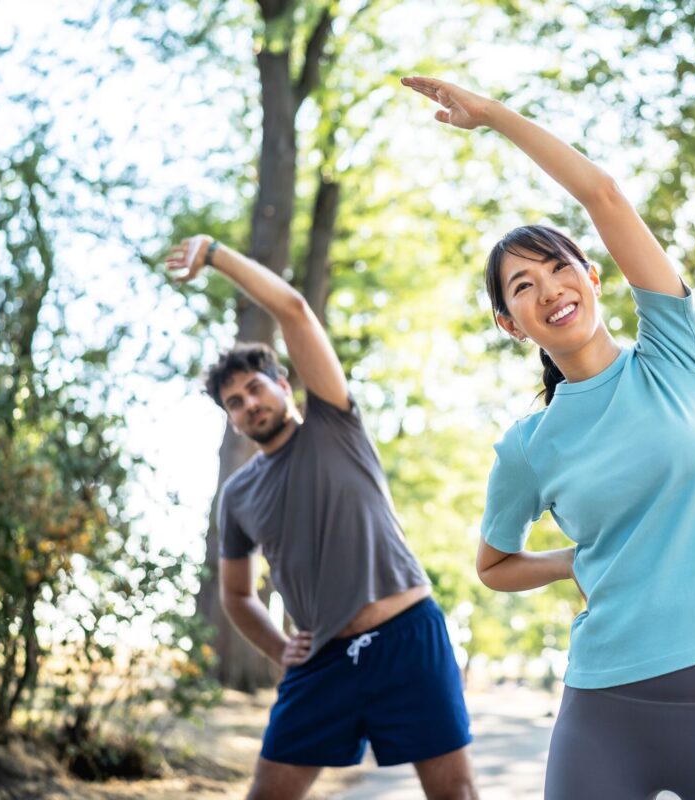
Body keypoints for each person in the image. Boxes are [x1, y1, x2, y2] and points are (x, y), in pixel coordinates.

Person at [403, 76, 695, 799]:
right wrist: (570, 564)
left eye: (558, 268)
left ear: (591, 277)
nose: (548, 288)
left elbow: (604, 196)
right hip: (606, 707)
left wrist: (492, 116)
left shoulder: (677, 353)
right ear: (508, 323)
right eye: (521, 286)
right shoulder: (529, 445)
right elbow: (494, 565)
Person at [164, 236, 477, 800]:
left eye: (255, 388)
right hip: (322, 660)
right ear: (231, 419)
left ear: (283, 386)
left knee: (454, 795)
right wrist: (279, 647)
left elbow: (293, 310)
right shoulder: (236, 496)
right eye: (233, 401)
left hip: (407, 637)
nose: (248, 403)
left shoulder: (335, 424)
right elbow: (237, 595)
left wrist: (214, 254)